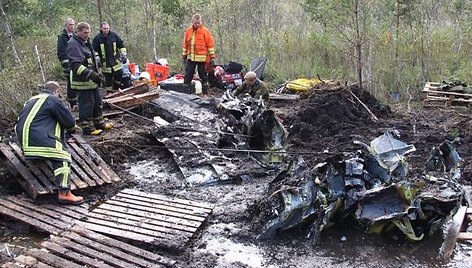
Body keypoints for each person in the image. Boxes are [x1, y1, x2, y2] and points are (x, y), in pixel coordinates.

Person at [15, 81, 84, 205]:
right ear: (56, 91)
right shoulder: (53, 99)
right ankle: (64, 193)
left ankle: (41, 158)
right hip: (39, 140)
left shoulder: (31, 100)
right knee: (63, 157)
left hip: (24, 141)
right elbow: (68, 121)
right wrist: (73, 130)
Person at [67, 22, 112, 135]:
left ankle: (99, 122)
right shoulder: (73, 44)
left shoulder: (86, 42)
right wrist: (91, 75)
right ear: (78, 32)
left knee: (97, 102)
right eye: (85, 33)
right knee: (86, 104)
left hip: (91, 81)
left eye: (88, 32)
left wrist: (98, 74)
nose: (87, 35)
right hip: (82, 82)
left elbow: (91, 60)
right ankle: (87, 128)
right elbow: (75, 65)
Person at [182, 14, 216, 97]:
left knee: (203, 75)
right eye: (195, 23)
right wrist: (184, 56)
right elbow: (185, 44)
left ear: (201, 22)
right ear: (192, 22)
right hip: (191, 58)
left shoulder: (205, 31)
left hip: (202, 59)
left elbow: (210, 45)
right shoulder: (188, 31)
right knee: (188, 74)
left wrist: (212, 57)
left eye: (198, 23)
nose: (197, 24)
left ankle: (205, 93)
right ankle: (186, 92)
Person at [92, 22, 127, 91]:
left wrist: (124, 54)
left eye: (107, 28)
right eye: (104, 28)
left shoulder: (114, 35)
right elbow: (94, 49)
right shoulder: (97, 38)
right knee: (107, 81)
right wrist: (97, 57)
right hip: (105, 64)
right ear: (101, 29)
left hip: (116, 62)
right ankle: (109, 93)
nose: (106, 30)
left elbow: (121, 45)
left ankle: (116, 89)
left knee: (120, 74)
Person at [57, 18, 77, 108]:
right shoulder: (62, 37)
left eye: (73, 24)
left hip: (76, 63)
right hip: (68, 64)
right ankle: (72, 102)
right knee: (70, 82)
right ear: (66, 25)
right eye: (70, 24)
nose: (72, 26)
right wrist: (66, 65)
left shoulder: (76, 35)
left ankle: (77, 100)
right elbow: (61, 52)